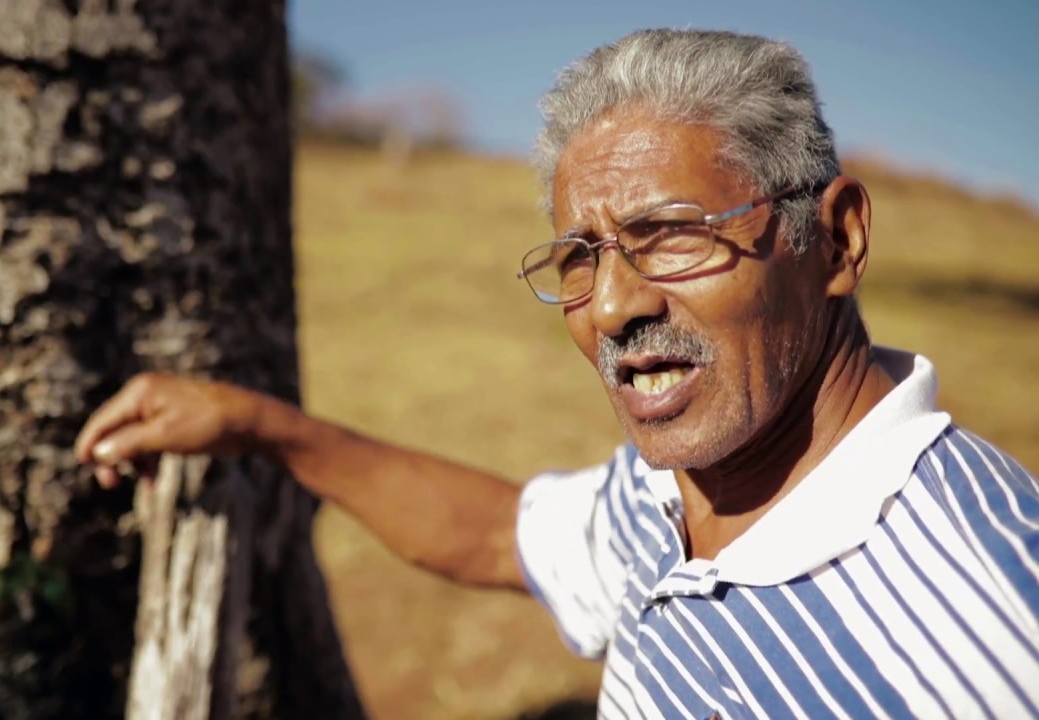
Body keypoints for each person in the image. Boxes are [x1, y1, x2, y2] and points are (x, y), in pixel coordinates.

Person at [74, 28, 1039, 719]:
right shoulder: (684, 487)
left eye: (670, 236)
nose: (613, 307)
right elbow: (500, 536)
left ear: (833, 239)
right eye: (581, 254)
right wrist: (256, 425)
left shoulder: (995, 631)